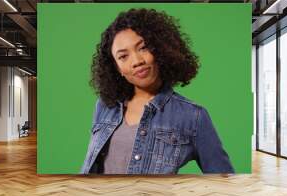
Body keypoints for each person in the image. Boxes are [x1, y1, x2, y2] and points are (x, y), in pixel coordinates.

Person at [80, 8, 234, 174]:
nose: (137, 61)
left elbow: (223, 178)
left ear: (160, 48)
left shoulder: (193, 117)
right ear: (117, 69)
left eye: (143, 47)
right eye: (123, 56)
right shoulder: (104, 106)